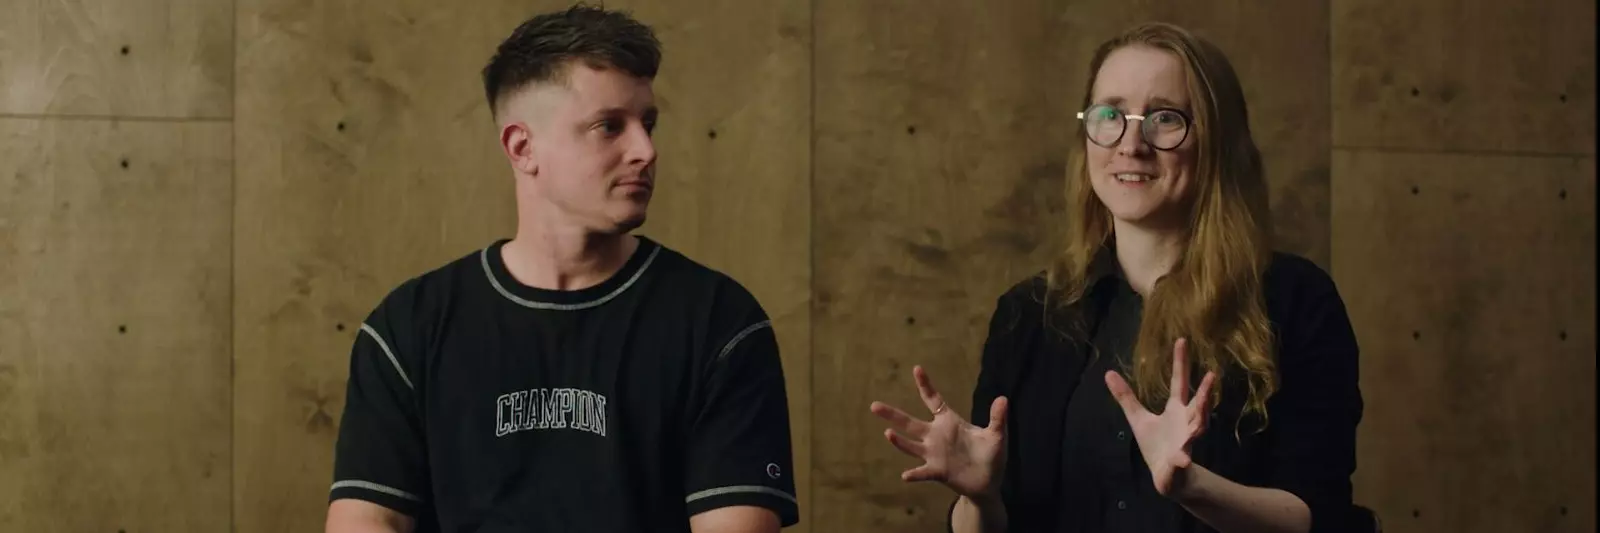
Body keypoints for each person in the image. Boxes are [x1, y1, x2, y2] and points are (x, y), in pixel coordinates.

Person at [869, 22, 1370, 533]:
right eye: (1111, 115)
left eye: (1164, 118)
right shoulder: (1028, 314)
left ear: (1217, 141)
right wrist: (978, 498)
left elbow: (1317, 515)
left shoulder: (1295, 300)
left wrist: (1192, 487)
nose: (1131, 144)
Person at [323, 5, 800, 533]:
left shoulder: (719, 323)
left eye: (648, 124)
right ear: (523, 148)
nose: (645, 150)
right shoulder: (409, 327)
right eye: (608, 127)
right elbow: (367, 521)